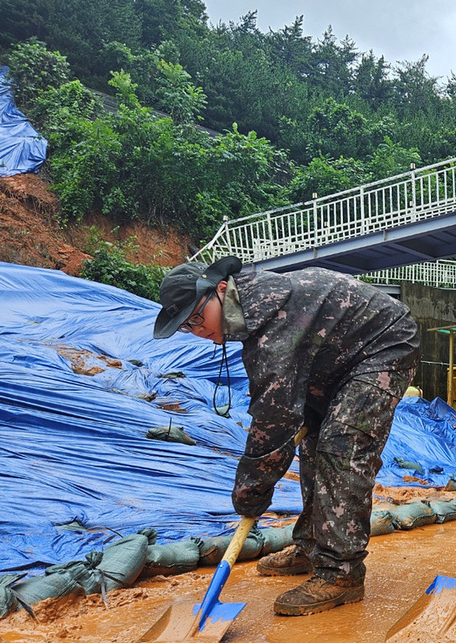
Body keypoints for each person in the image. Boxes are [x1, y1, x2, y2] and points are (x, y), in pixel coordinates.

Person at [153, 255, 420, 616]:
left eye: (197, 317)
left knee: (341, 447)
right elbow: (282, 414)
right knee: (312, 447)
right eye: (187, 326)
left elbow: (273, 421)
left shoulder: (271, 321)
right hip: (331, 360)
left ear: (220, 289)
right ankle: (312, 546)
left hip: (381, 347)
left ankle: (341, 573)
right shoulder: (250, 313)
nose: (197, 330)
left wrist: (250, 491)